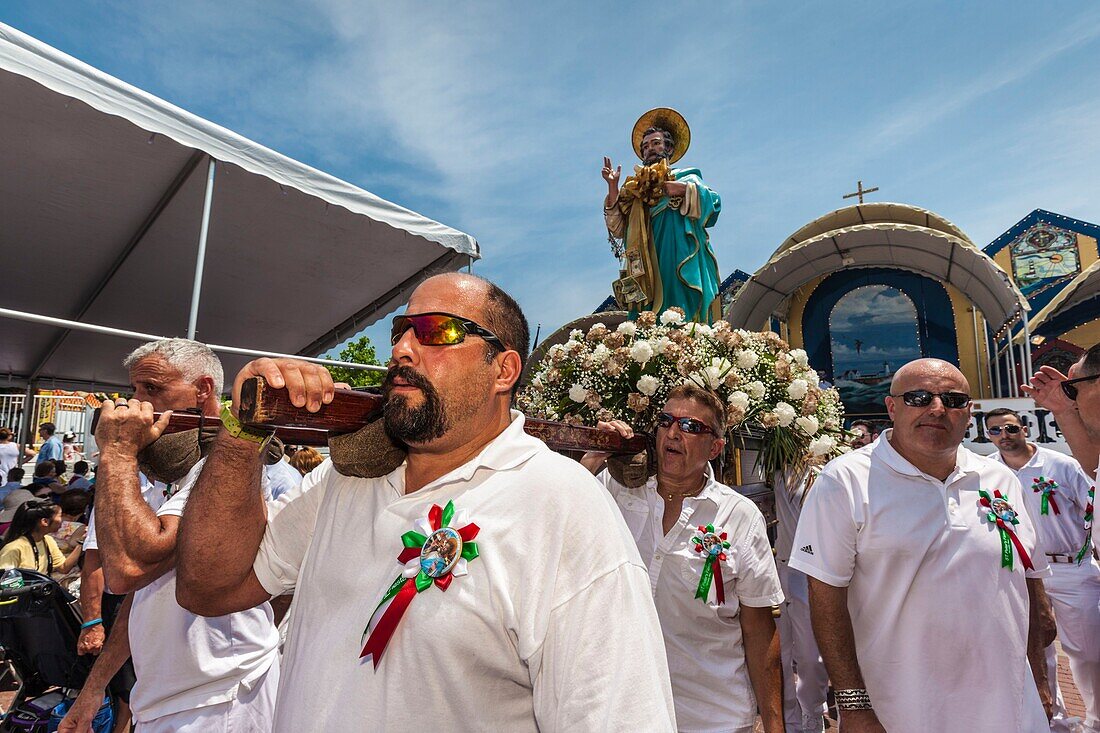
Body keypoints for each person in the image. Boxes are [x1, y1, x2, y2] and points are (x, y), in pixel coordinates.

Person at [175, 273, 676, 731]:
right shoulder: (343, 480)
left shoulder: (563, 505)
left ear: (503, 370)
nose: (403, 349)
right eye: (401, 330)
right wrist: (241, 430)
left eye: (437, 331)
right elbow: (210, 588)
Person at [791, 358, 1053, 732]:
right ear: (892, 407)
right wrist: (854, 705)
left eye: (953, 399)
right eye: (918, 397)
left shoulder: (999, 478)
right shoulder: (845, 480)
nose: (937, 408)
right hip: (901, 709)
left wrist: (1040, 681)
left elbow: (1026, 580)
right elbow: (825, 597)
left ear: (969, 412)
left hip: (1009, 705)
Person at [60, 338, 279, 733]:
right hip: (173, 697)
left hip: (219, 697)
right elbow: (141, 596)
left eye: (153, 389)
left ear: (203, 390)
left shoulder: (226, 468)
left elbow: (129, 568)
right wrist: (93, 689)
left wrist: (118, 452)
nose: (137, 403)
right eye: (135, 389)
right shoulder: (171, 472)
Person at [582, 385, 784, 733]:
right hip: (624, 710)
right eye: (666, 421)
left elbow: (759, 631)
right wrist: (591, 462)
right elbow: (558, 529)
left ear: (716, 446)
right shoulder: (614, 489)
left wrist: (773, 724)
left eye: (691, 427)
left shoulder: (739, 515)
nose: (674, 433)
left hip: (712, 715)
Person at [986, 407, 1100, 733]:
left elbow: (1093, 505)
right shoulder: (991, 472)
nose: (1003, 436)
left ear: (1023, 428)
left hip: (1071, 568)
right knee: (1038, 650)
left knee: (1089, 653)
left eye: (1009, 428)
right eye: (995, 431)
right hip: (1021, 573)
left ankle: (1096, 721)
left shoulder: (1059, 464)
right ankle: (1055, 722)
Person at [603, 107, 721, 323]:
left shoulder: (685, 176)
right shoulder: (634, 190)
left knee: (677, 302)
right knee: (646, 311)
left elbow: (713, 203)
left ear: (668, 147)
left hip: (677, 249)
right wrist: (613, 187)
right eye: (646, 146)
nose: (650, 149)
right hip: (644, 257)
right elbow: (618, 228)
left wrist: (682, 189)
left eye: (656, 143)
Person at [0, 499, 82, 575]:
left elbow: (63, 568)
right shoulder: (13, 549)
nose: (62, 520)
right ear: (45, 521)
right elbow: (6, 582)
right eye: (60, 516)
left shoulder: (47, 540)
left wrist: (80, 543)